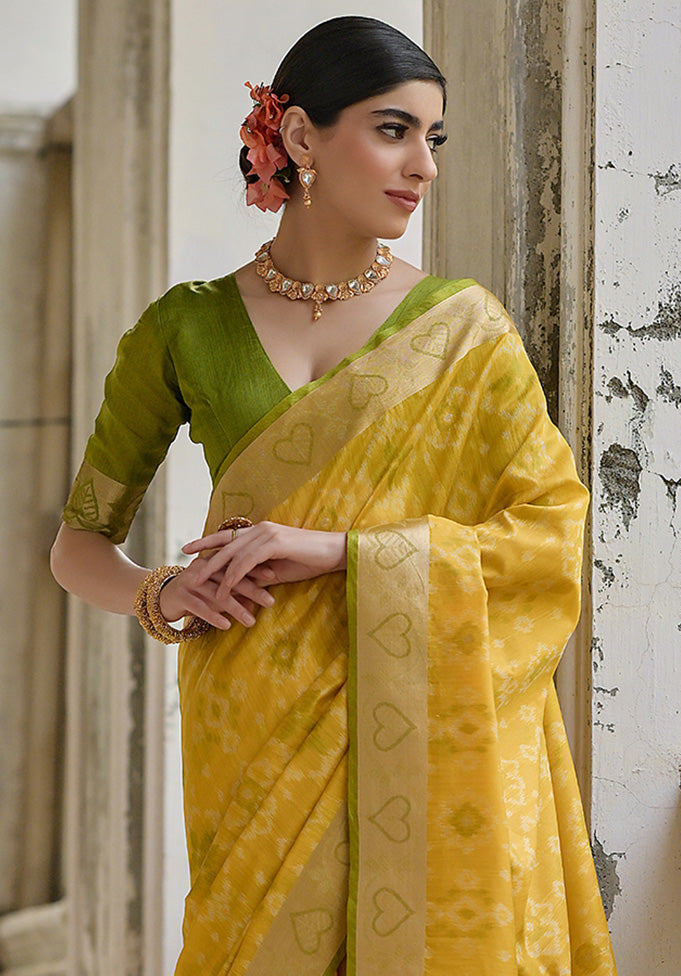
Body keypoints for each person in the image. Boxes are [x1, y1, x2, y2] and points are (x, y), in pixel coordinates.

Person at [51, 15, 617, 976]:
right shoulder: (184, 329)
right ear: (302, 136)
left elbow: (550, 533)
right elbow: (78, 546)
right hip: (253, 722)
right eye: (394, 130)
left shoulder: (466, 334)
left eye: (432, 140)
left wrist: (342, 554)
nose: (423, 167)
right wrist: (162, 593)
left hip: (426, 727)